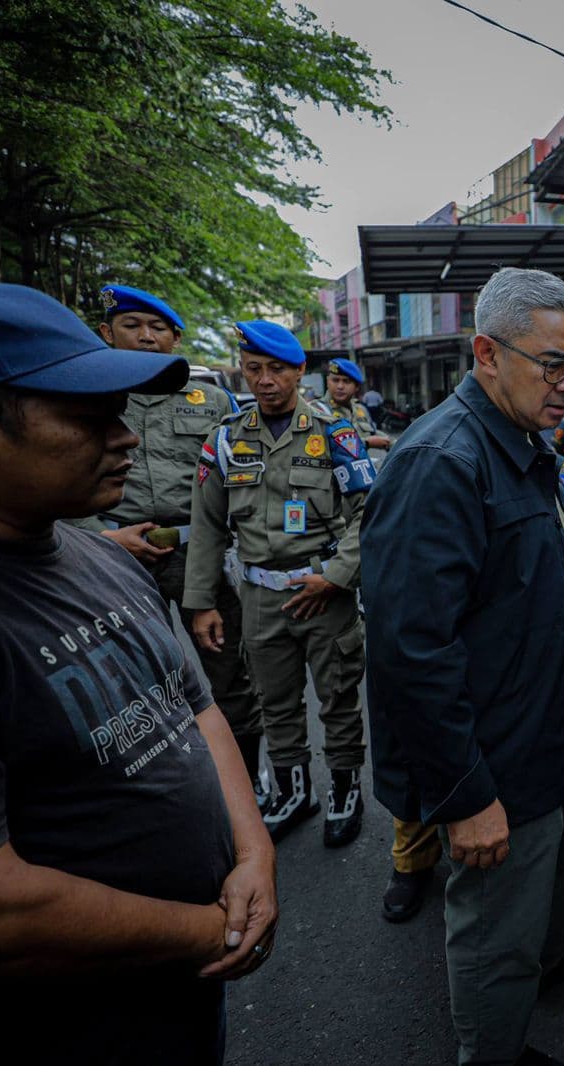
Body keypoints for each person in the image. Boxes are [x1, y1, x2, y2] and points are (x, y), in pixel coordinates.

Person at [0, 282, 277, 1063]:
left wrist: (254, 856)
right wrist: (213, 931)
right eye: (89, 417)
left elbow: (195, 709)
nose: (126, 439)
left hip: (177, 1001)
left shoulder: (87, 549)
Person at [363, 267, 564, 1066]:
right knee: (494, 926)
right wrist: (466, 795)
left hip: (547, 727)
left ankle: (548, 961)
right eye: (554, 365)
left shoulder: (521, 440)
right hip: (495, 760)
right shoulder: (442, 460)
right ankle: (495, 1049)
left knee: (548, 887)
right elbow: (411, 649)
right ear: (485, 353)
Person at [63, 285, 267, 806]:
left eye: (159, 328)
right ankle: (165, 793)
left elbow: (236, 482)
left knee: (229, 674)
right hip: (114, 559)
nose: (147, 336)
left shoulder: (213, 400)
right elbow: (62, 483)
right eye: (133, 325)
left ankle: (243, 783)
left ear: (177, 338)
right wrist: (101, 541)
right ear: (107, 333)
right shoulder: (84, 400)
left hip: (198, 559)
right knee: (128, 681)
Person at [184, 321, 374, 848]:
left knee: (337, 696)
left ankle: (343, 788)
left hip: (324, 592)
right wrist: (201, 603)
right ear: (243, 371)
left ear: (298, 372)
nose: (264, 380)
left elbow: (369, 513)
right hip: (261, 598)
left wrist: (336, 578)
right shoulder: (225, 438)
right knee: (275, 702)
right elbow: (206, 526)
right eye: (254, 369)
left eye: (276, 369)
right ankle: (294, 790)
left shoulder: (334, 433)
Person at [315, 357, 390, 461]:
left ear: (357, 386)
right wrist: (366, 443)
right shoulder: (316, 410)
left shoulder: (360, 409)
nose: (340, 386)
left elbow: (374, 433)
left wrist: (394, 443)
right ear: (328, 382)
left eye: (346, 381)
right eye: (335, 380)